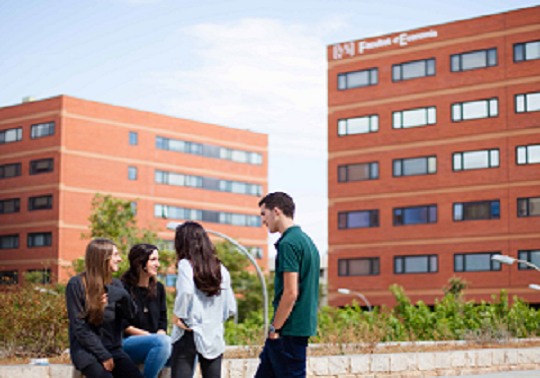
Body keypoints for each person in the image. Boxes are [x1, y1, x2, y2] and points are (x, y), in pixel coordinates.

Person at [255, 192, 320, 378]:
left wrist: (275, 328)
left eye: (263, 214)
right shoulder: (307, 242)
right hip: (295, 328)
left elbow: (291, 293)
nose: (263, 220)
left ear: (276, 211)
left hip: (287, 331)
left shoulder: (288, 244)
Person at [65, 238, 144, 378]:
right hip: (87, 352)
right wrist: (104, 356)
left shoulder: (116, 285)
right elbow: (79, 327)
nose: (120, 259)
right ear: (102, 258)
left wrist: (123, 296)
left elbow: (132, 315)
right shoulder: (76, 284)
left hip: (114, 350)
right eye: (115, 255)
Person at [170, 221, 236, 378]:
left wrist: (177, 314)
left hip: (188, 332)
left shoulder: (186, 264)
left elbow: (185, 291)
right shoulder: (221, 269)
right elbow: (231, 308)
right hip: (213, 335)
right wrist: (212, 319)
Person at [121, 244, 172, 378]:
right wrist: (152, 337)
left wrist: (159, 335)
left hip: (157, 344)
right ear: (139, 262)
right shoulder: (122, 287)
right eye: (153, 260)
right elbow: (123, 325)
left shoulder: (159, 288)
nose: (158, 264)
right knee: (163, 343)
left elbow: (163, 320)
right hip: (127, 344)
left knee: (187, 350)